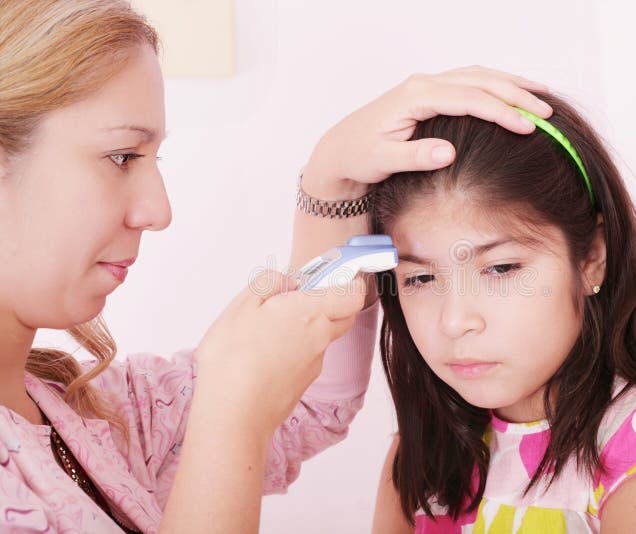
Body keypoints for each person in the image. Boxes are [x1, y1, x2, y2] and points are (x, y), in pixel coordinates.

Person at [0, 0, 553, 531]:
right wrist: (231, 418)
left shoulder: (97, 416)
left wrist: (330, 182)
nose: (158, 211)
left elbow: (308, 402)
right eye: (122, 157)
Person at [367, 94, 636, 533]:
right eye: (420, 280)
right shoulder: (429, 446)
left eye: (501, 268)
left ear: (591, 258)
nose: (454, 321)